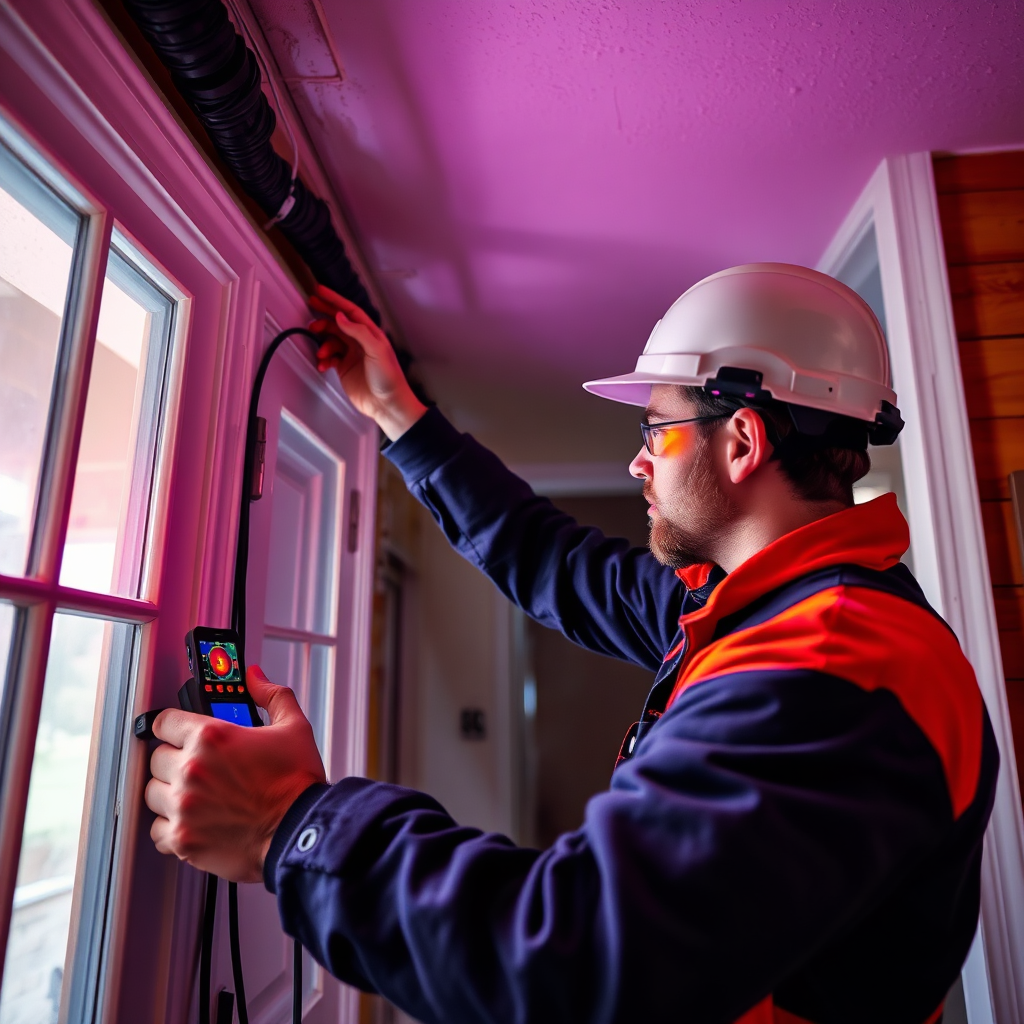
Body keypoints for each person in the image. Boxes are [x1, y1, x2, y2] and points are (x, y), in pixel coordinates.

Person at [146, 264, 998, 1024]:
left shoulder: (828, 666)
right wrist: (401, 417)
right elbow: (552, 561)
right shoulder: (765, 608)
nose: (638, 465)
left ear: (742, 442)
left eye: (655, 432)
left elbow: (578, 962)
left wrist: (286, 824)